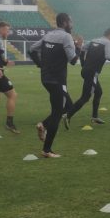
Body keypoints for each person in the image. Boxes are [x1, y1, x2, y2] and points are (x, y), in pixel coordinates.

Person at [29, 13, 81, 157]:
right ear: (64, 22)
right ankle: (46, 150)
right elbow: (73, 60)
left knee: (67, 106)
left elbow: (31, 49)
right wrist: (79, 48)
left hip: (45, 79)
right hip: (58, 80)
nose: (72, 25)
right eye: (70, 22)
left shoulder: (48, 35)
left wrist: (40, 64)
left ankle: (43, 125)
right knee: (58, 113)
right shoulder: (66, 37)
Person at [63, 28, 110, 127]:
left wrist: (83, 64)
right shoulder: (108, 42)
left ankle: (95, 117)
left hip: (86, 70)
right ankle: (68, 115)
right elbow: (108, 56)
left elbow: (83, 49)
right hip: (92, 73)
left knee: (99, 92)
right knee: (85, 97)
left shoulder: (94, 40)